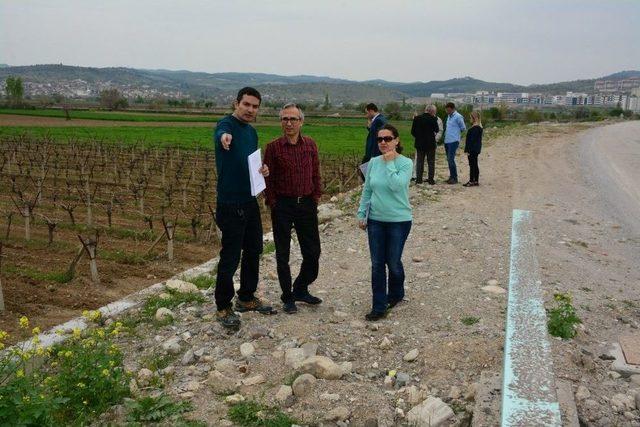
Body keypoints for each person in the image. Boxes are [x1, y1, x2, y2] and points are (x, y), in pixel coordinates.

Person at [213, 87, 273, 329]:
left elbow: (252, 163)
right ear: (235, 103)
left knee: (254, 249)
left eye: (255, 106)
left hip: (249, 200)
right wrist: (224, 138)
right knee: (230, 255)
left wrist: (263, 171)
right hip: (230, 202)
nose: (250, 110)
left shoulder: (252, 132)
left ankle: (246, 298)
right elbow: (222, 132)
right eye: (246, 104)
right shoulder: (225, 125)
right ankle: (223, 306)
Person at [264, 103, 323, 314]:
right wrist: (272, 201)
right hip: (283, 205)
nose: (289, 123)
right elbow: (267, 179)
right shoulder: (273, 147)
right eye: (285, 119)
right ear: (281, 122)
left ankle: (300, 288)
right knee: (283, 253)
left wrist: (315, 196)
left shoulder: (310, 145)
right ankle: (287, 296)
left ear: (301, 122)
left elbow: (316, 172)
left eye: (293, 119)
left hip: (306, 203)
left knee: (313, 252)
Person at [357, 124, 413, 321]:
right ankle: (379, 306)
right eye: (379, 139)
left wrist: (389, 162)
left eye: (387, 139)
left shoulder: (406, 163)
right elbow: (368, 190)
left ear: (396, 141)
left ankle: (396, 293)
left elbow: (397, 186)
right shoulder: (373, 162)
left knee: (393, 261)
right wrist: (361, 213)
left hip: (399, 220)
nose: (383, 142)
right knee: (377, 264)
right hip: (376, 221)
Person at [411, 105, 439, 184]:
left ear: (425, 110)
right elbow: (436, 129)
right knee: (431, 162)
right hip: (430, 144)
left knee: (419, 161)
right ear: (432, 111)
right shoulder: (433, 119)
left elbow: (412, 131)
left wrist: (418, 137)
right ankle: (431, 180)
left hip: (419, 143)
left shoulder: (417, 118)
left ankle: (419, 179)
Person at [361, 103, 387, 178]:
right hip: (374, 152)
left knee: (366, 173)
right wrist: (369, 127)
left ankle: (370, 187)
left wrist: (374, 155)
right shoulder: (380, 119)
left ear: (371, 111)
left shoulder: (378, 121)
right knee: (366, 172)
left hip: (374, 152)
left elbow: (379, 137)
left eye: (367, 113)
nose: (366, 115)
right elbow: (375, 133)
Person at [443, 102, 466, 184]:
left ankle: (455, 178)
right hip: (447, 140)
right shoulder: (449, 117)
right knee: (449, 160)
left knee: (450, 159)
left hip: (454, 140)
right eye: (446, 110)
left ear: (452, 109)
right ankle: (451, 177)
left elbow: (463, 128)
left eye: (448, 110)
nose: (447, 112)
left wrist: (457, 136)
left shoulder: (458, 117)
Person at [463, 111, 483, 187]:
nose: (469, 119)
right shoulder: (479, 126)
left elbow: (472, 140)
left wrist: (467, 150)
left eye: (470, 117)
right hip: (476, 148)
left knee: (472, 165)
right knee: (475, 164)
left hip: (472, 149)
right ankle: (476, 181)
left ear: (473, 118)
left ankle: (471, 181)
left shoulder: (475, 127)